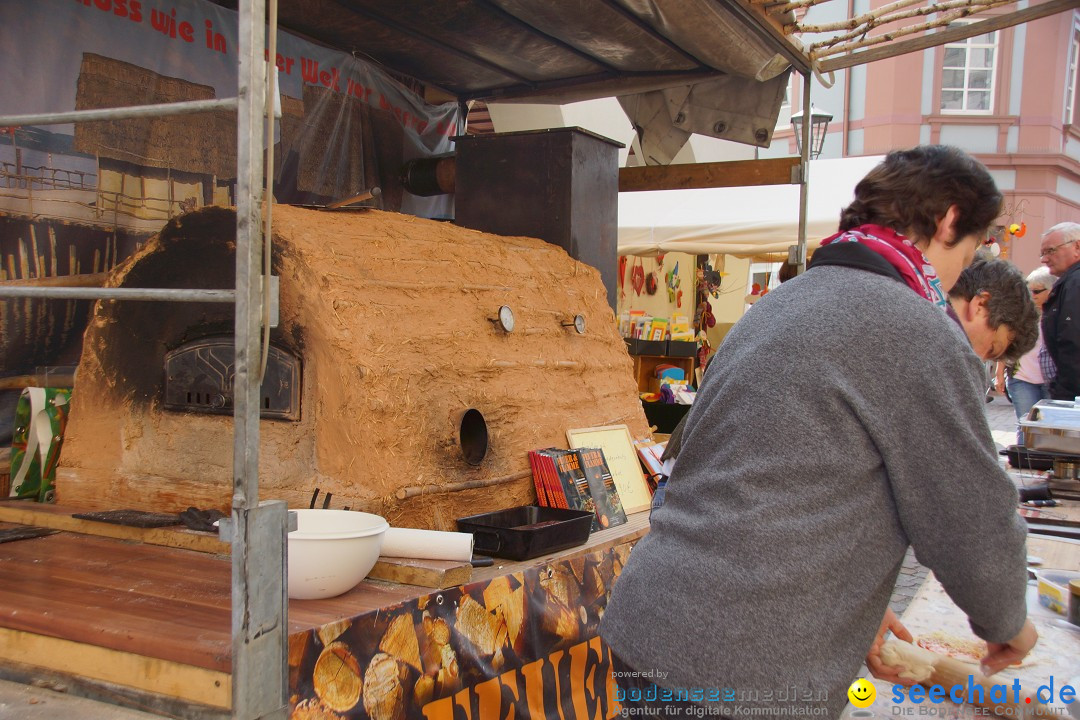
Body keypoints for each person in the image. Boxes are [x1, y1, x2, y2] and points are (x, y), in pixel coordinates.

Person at [599, 146, 1036, 719]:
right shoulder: (921, 332)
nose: (963, 266)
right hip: (750, 663)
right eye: (974, 245)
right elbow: (966, 514)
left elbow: (717, 464)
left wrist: (848, 592)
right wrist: (1008, 623)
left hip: (655, 622)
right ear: (951, 219)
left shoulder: (777, 306)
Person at [994, 267, 1055, 442]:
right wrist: (999, 374)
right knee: (1026, 425)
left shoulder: (1057, 314)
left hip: (1050, 379)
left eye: (1037, 291)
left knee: (1048, 429)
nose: (1032, 295)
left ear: (1050, 291)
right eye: (1029, 290)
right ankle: (1023, 463)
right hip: (1022, 378)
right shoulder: (1021, 313)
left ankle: (1043, 466)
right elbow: (1007, 343)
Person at [1039, 222, 1080, 400]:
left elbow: (1072, 340)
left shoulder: (1075, 282)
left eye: (1051, 250)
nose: (1044, 259)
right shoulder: (1070, 281)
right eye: (1043, 253)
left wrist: (1065, 391)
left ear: (1077, 247)